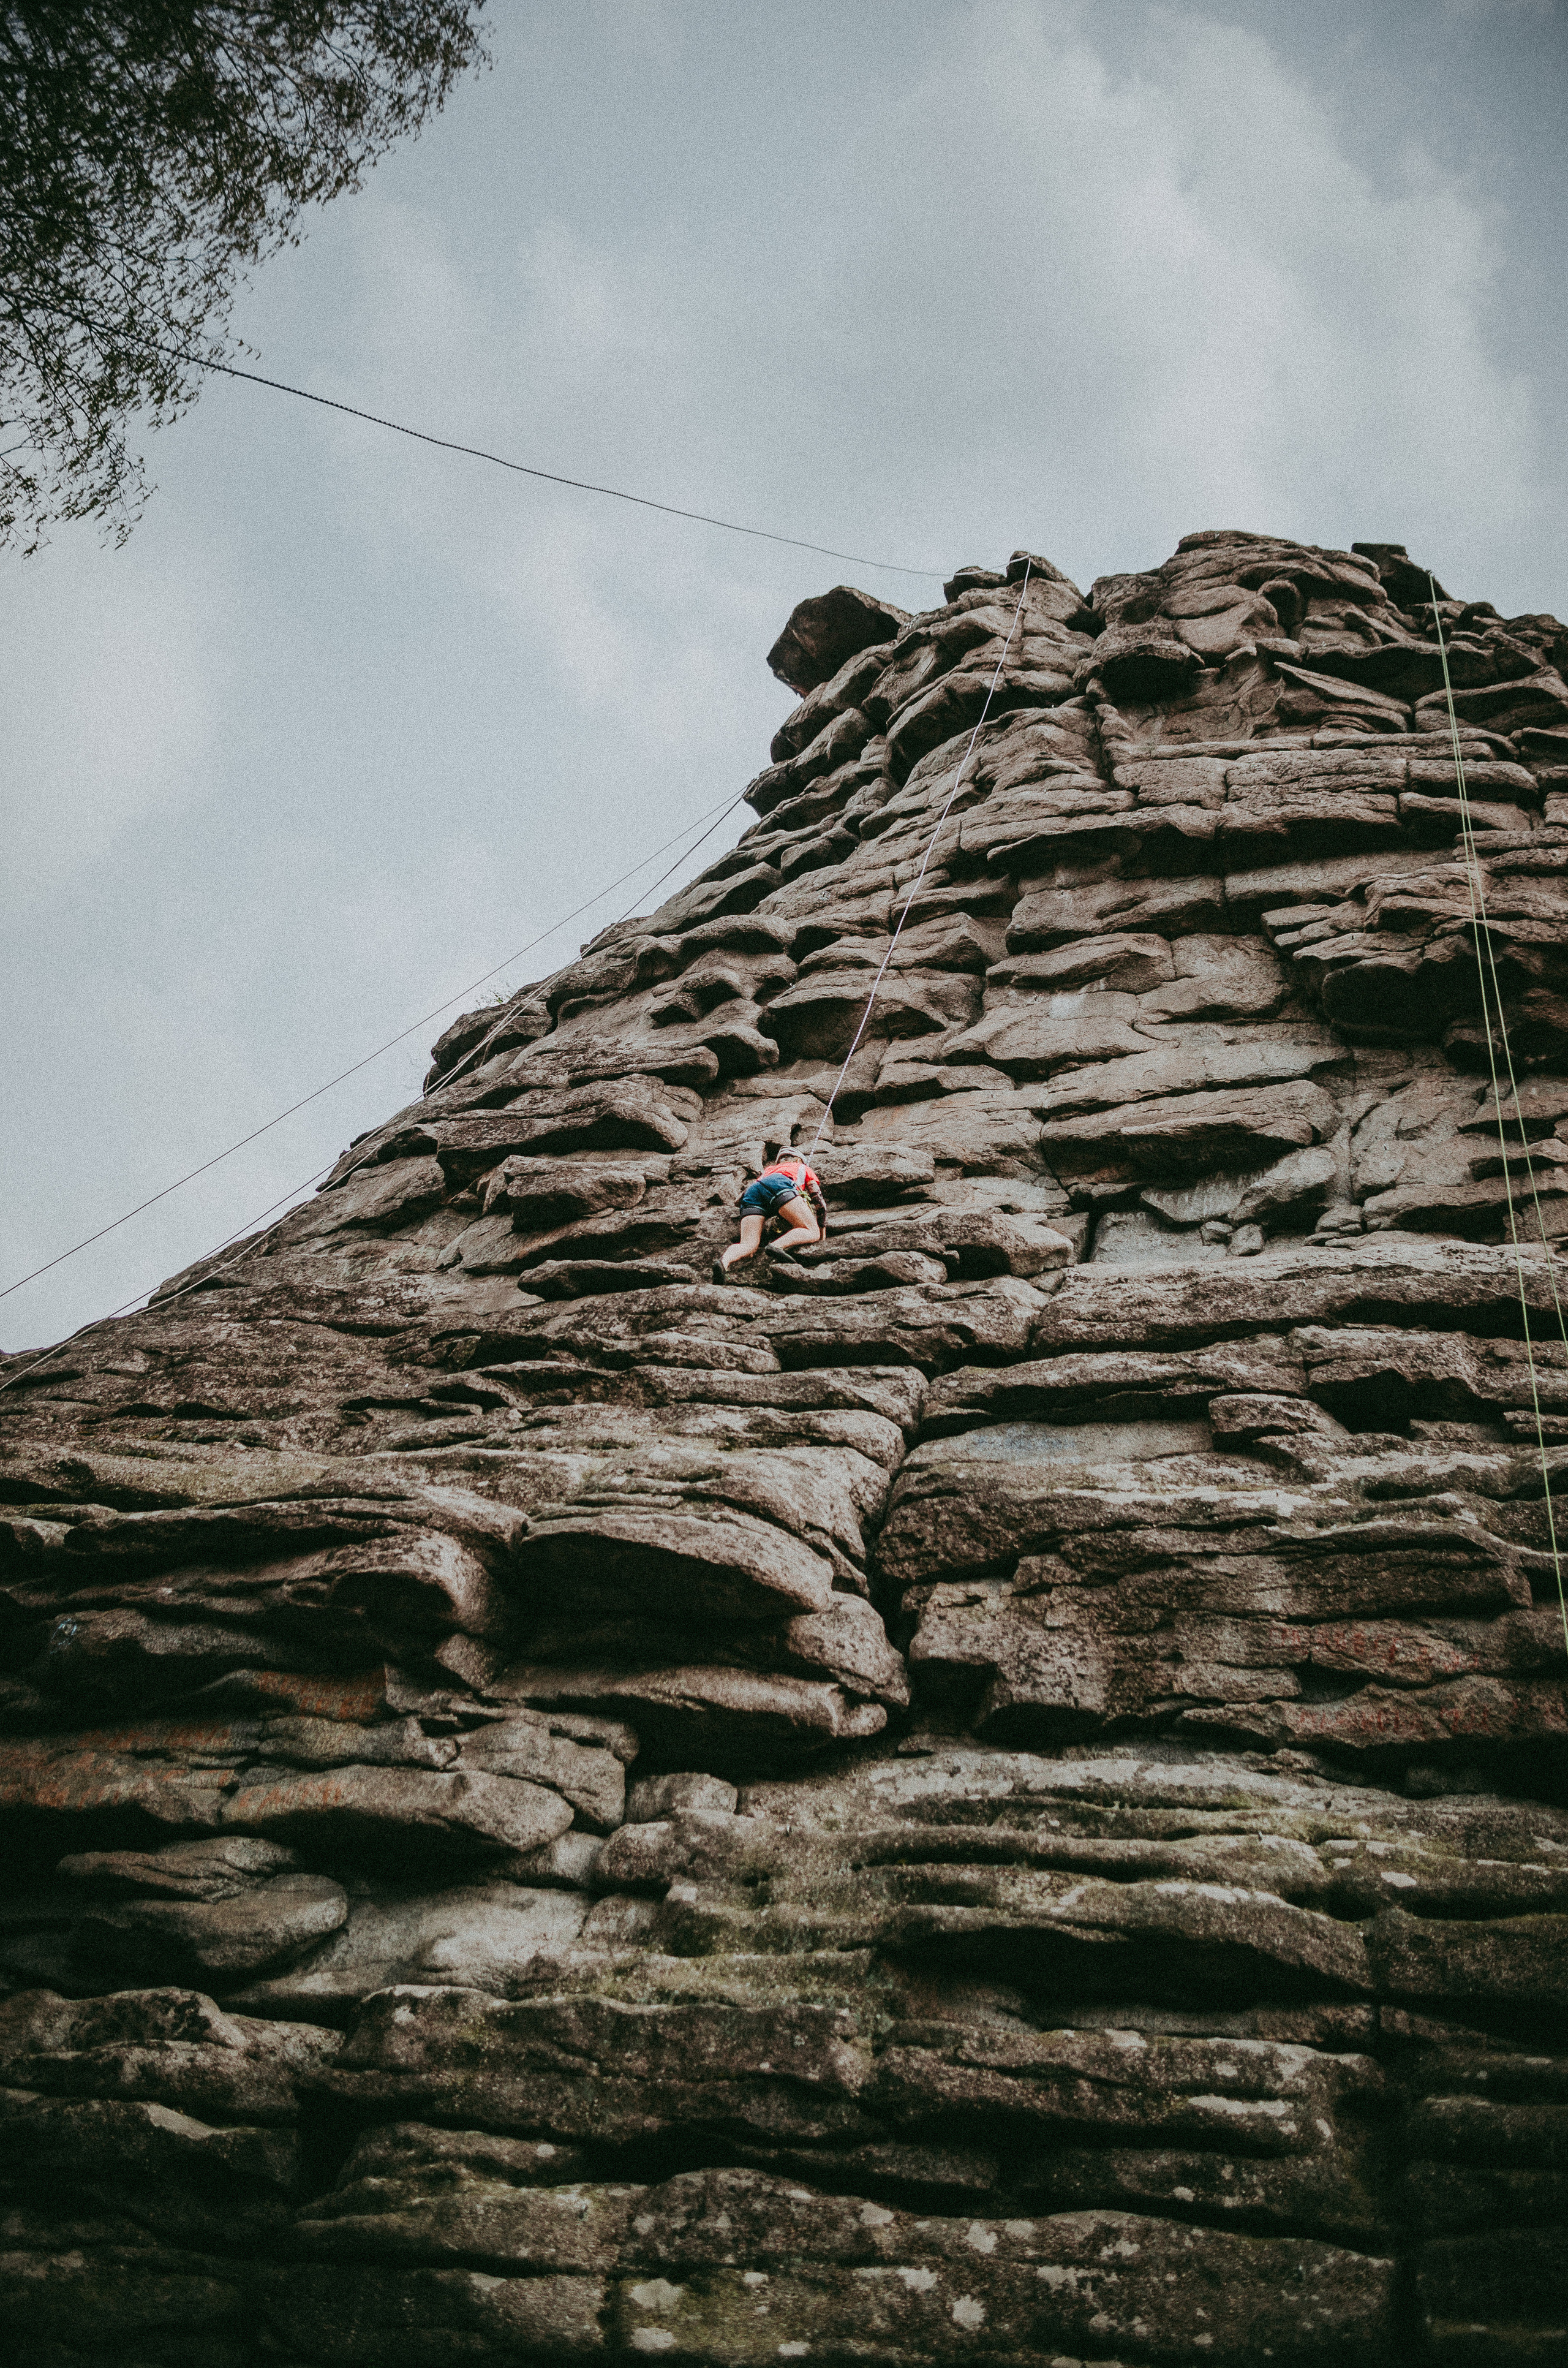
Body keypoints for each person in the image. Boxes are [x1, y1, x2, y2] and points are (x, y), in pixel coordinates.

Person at [715, 1151, 826, 1280]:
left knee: (748, 1245)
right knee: (812, 1232)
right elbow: (819, 1203)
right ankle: (777, 1246)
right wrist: (821, 1232)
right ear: (798, 1160)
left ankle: (724, 1262)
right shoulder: (804, 1168)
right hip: (780, 1185)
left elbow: (738, 1200)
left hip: (752, 1192)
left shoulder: (769, 1170)